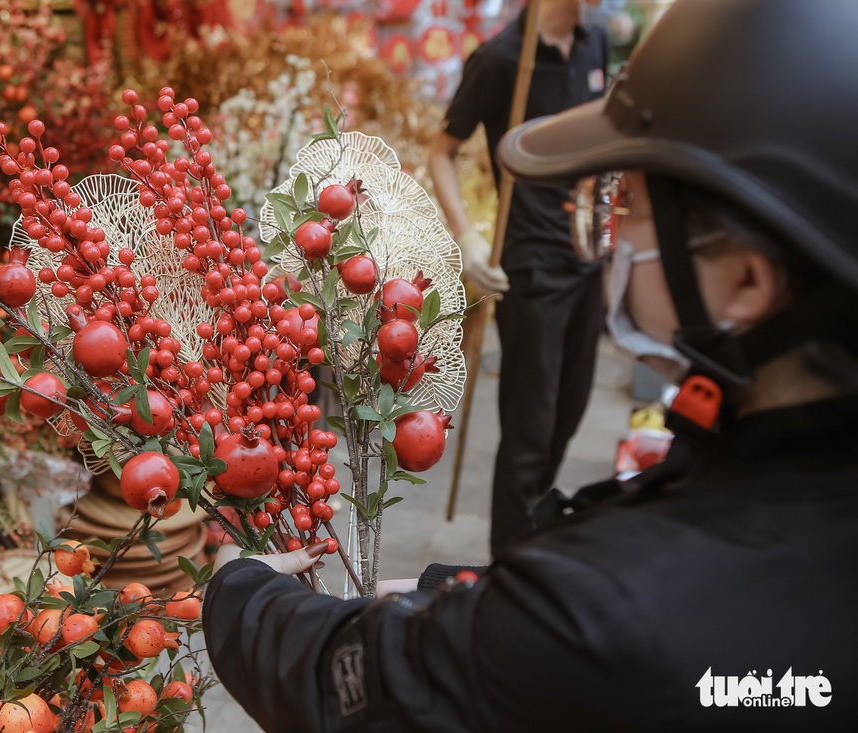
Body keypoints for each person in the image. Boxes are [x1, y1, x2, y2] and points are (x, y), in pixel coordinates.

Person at [202, 0, 858, 729]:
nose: (609, 235)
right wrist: (462, 596)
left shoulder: (600, 607)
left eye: (626, 202)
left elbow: (344, 683)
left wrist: (242, 589)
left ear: (745, 279)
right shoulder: (764, 501)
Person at [428, 0, 610, 556]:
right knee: (530, 430)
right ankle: (509, 569)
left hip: (587, 255)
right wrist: (468, 236)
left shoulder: (594, 40)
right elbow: (442, 153)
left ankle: (533, 532)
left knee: (570, 411)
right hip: (530, 264)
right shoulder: (501, 58)